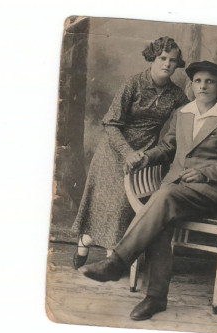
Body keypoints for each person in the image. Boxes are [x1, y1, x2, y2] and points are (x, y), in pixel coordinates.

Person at [82, 61, 217, 321]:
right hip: (175, 191)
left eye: (209, 81)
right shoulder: (183, 113)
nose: (203, 86)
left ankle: (117, 262)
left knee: (163, 197)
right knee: (161, 217)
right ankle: (156, 298)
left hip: (210, 192)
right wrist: (146, 157)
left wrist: (204, 173)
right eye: (198, 81)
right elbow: (168, 147)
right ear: (191, 85)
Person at [71, 37, 189, 268]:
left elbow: (190, 116)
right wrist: (127, 152)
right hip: (114, 151)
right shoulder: (132, 84)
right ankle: (100, 252)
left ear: (177, 64)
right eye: (162, 58)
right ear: (152, 58)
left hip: (145, 156)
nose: (167, 64)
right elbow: (111, 123)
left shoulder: (175, 95)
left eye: (173, 60)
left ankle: (93, 244)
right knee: (112, 206)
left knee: (125, 209)